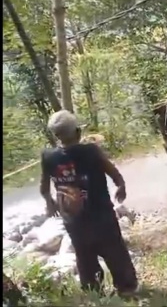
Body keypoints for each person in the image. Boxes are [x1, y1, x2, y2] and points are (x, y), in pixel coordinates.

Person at [39, 110, 138, 297]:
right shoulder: (91, 151)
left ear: (55, 136)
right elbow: (111, 170)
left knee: (84, 257)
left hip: (74, 221)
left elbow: (44, 187)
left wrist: (49, 202)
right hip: (102, 216)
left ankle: (94, 293)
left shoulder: (48, 157)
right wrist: (120, 185)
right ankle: (127, 289)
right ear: (78, 132)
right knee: (115, 252)